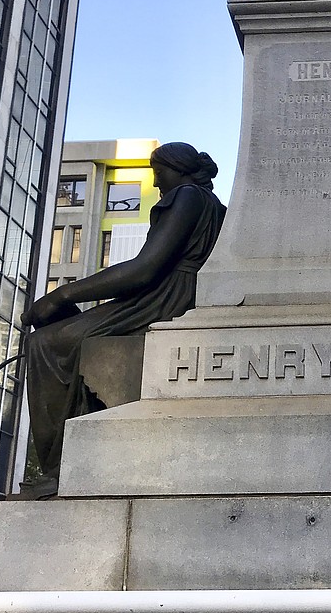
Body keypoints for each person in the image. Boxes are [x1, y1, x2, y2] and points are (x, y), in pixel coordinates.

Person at [22, 143, 226, 497]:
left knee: (44, 343)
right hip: (172, 291)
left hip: (164, 297)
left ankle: (59, 470)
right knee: (58, 333)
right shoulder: (209, 203)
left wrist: (62, 294)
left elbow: (144, 268)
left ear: (178, 171)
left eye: (159, 172)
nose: (156, 180)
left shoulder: (187, 196)